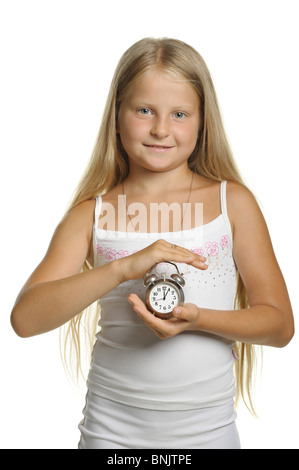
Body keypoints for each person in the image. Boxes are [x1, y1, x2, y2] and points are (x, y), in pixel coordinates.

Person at [11, 37, 294, 449]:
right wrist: (122, 268)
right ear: (117, 117)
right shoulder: (91, 215)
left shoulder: (231, 204)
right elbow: (25, 319)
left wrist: (197, 319)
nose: (161, 129)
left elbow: (280, 325)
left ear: (202, 122)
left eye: (179, 114)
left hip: (207, 436)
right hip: (110, 436)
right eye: (144, 110)